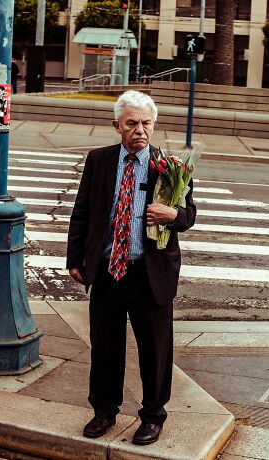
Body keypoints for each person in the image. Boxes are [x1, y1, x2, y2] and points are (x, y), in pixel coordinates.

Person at [66, 90, 196, 446]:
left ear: (153, 125)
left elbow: (190, 215)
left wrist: (174, 215)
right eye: (132, 123)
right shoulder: (99, 160)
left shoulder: (171, 166)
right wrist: (75, 259)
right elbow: (82, 212)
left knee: (155, 349)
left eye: (146, 123)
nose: (140, 129)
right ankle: (104, 410)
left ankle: (153, 416)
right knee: (105, 345)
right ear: (117, 126)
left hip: (149, 273)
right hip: (108, 270)